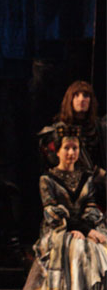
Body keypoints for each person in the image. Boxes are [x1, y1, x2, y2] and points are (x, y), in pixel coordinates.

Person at [0, 130, 107, 290]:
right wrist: (83, 230)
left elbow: (91, 206)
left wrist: (88, 229)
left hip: (85, 229)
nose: (71, 152)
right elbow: (52, 211)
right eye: (66, 148)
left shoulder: (86, 177)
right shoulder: (47, 179)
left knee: (100, 249)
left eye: (75, 148)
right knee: (78, 250)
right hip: (58, 231)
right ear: (57, 151)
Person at [38, 81, 106, 209]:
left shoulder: (98, 128)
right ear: (70, 99)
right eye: (76, 95)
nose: (81, 99)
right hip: (68, 188)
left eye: (86, 95)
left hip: (97, 189)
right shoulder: (59, 131)